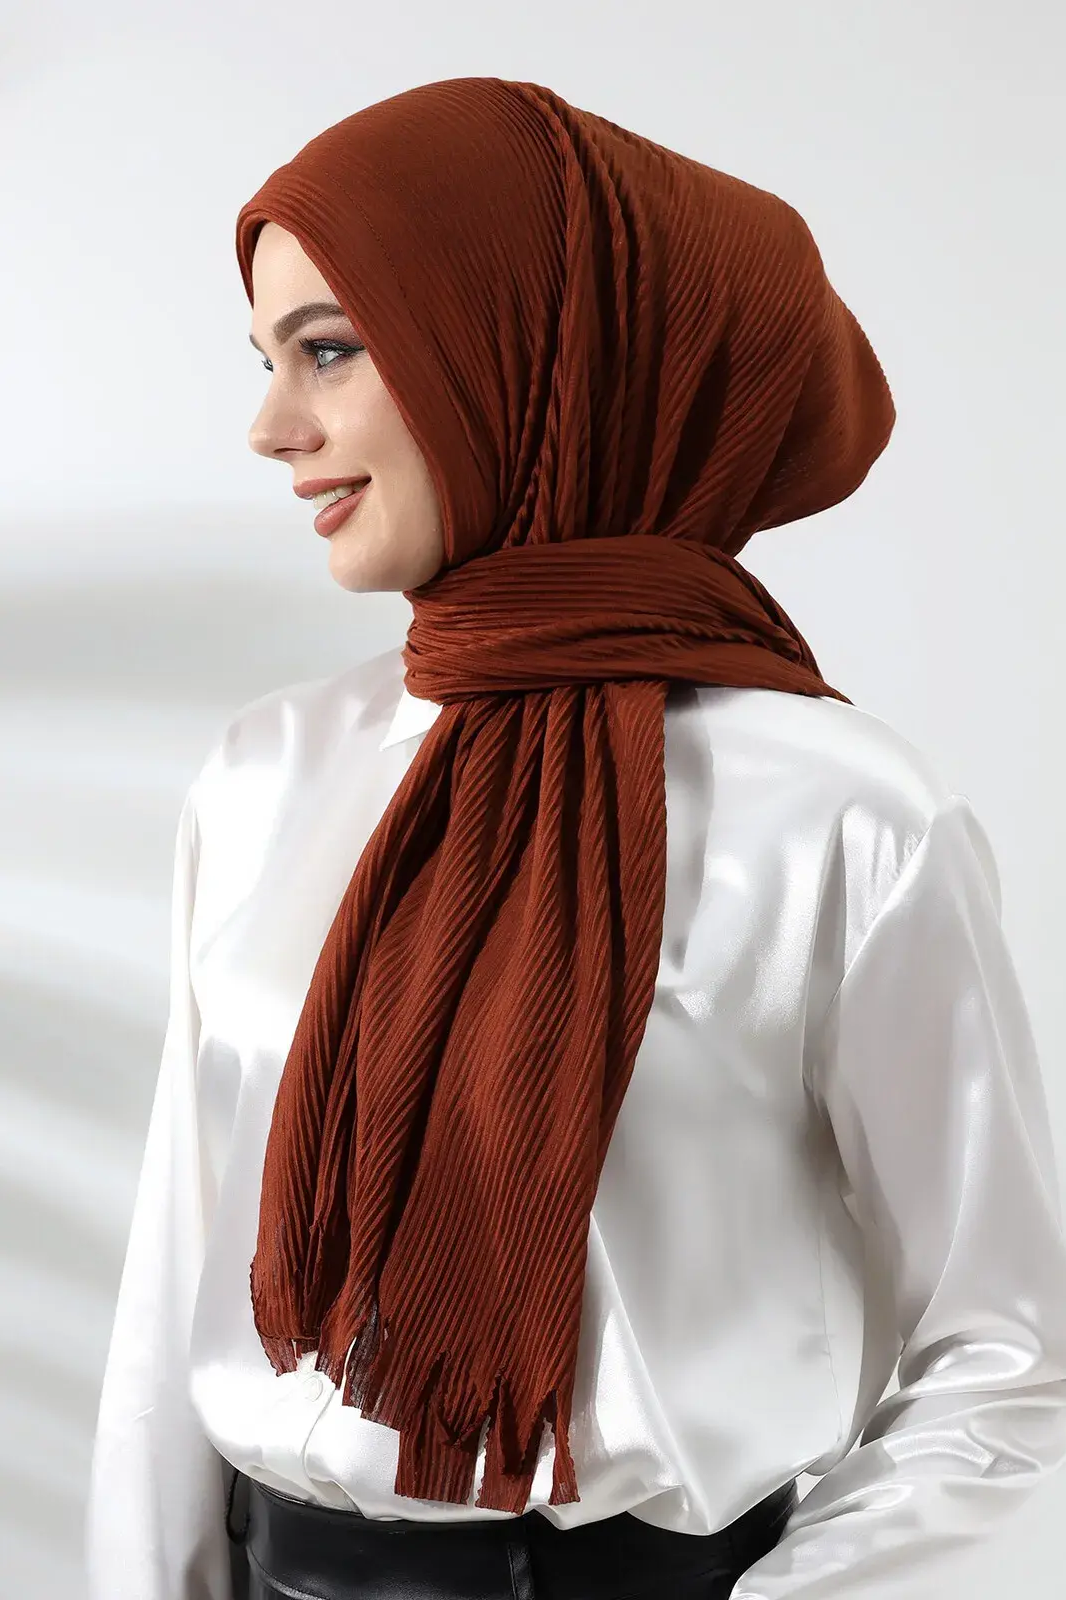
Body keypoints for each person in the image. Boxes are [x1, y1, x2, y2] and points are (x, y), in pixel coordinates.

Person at [85, 76, 1066, 1600]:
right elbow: (175, 1292)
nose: (272, 429)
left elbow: (1006, 1356)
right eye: (266, 361)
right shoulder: (264, 775)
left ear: (523, 354)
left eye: (330, 350)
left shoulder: (840, 818)